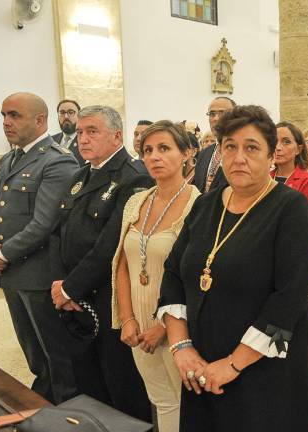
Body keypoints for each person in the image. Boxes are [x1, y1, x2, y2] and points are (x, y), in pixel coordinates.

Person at [157, 105, 308, 431]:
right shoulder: (206, 204)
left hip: (266, 374)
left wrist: (233, 364)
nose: (239, 157)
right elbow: (174, 272)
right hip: (202, 367)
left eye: (251, 147)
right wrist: (181, 347)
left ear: (272, 155)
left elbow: (289, 301)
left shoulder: (291, 210)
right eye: (230, 146)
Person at [49, 105, 153, 421]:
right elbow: (58, 234)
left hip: (110, 300)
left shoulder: (133, 178)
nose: (83, 138)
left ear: (117, 136)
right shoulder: (80, 176)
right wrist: (62, 287)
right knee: (89, 384)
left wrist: (70, 288)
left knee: (121, 387)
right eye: (80, 132)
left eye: (92, 131)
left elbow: (111, 246)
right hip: (75, 299)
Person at [0, 92, 79, 404]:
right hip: (10, 273)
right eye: (4, 115)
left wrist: (2, 255)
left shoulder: (57, 160)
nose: (6, 122)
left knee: (56, 355)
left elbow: (43, 223)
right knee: (33, 352)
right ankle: (44, 403)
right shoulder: (9, 158)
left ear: (39, 120)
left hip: (38, 274)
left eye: (14, 115)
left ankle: (68, 410)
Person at [112, 121, 200, 432]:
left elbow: (197, 276)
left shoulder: (199, 204)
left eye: (164, 148)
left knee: (188, 404)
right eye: (148, 150)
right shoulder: (137, 201)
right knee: (161, 400)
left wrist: (164, 327)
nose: (154, 157)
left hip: (180, 326)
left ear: (186, 153)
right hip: (139, 323)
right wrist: (128, 319)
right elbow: (122, 263)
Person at [272, 121, 308, 211]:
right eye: (274, 141)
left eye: (286, 142)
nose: (278, 147)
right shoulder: (264, 177)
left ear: (298, 149)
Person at [193, 96, 235, 193]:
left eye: (222, 113)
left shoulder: (242, 153)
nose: (216, 119)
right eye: (212, 114)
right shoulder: (204, 154)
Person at [52, 99, 85, 165]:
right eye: (62, 112)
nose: (66, 117)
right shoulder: (51, 140)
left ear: (79, 116)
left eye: (71, 112)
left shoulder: (86, 140)